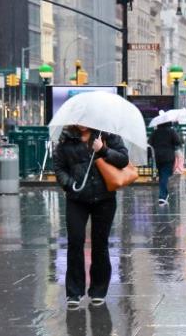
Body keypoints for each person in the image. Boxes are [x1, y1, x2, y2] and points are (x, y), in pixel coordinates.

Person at [53, 125, 129, 308]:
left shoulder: (107, 134)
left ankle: (98, 290)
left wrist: (103, 150)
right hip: (76, 199)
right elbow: (59, 167)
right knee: (75, 242)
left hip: (104, 198)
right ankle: (74, 292)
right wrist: (69, 184)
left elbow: (123, 160)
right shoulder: (66, 138)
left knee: (100, 243)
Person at [149, 122, 182, 205]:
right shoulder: (171, 131)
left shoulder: (155, 132)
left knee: (162, 175)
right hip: (168, 157)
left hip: (158, 157)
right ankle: (162, 197)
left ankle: (165, 194)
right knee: (164, 176)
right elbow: (178, 142)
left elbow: (149, 142)